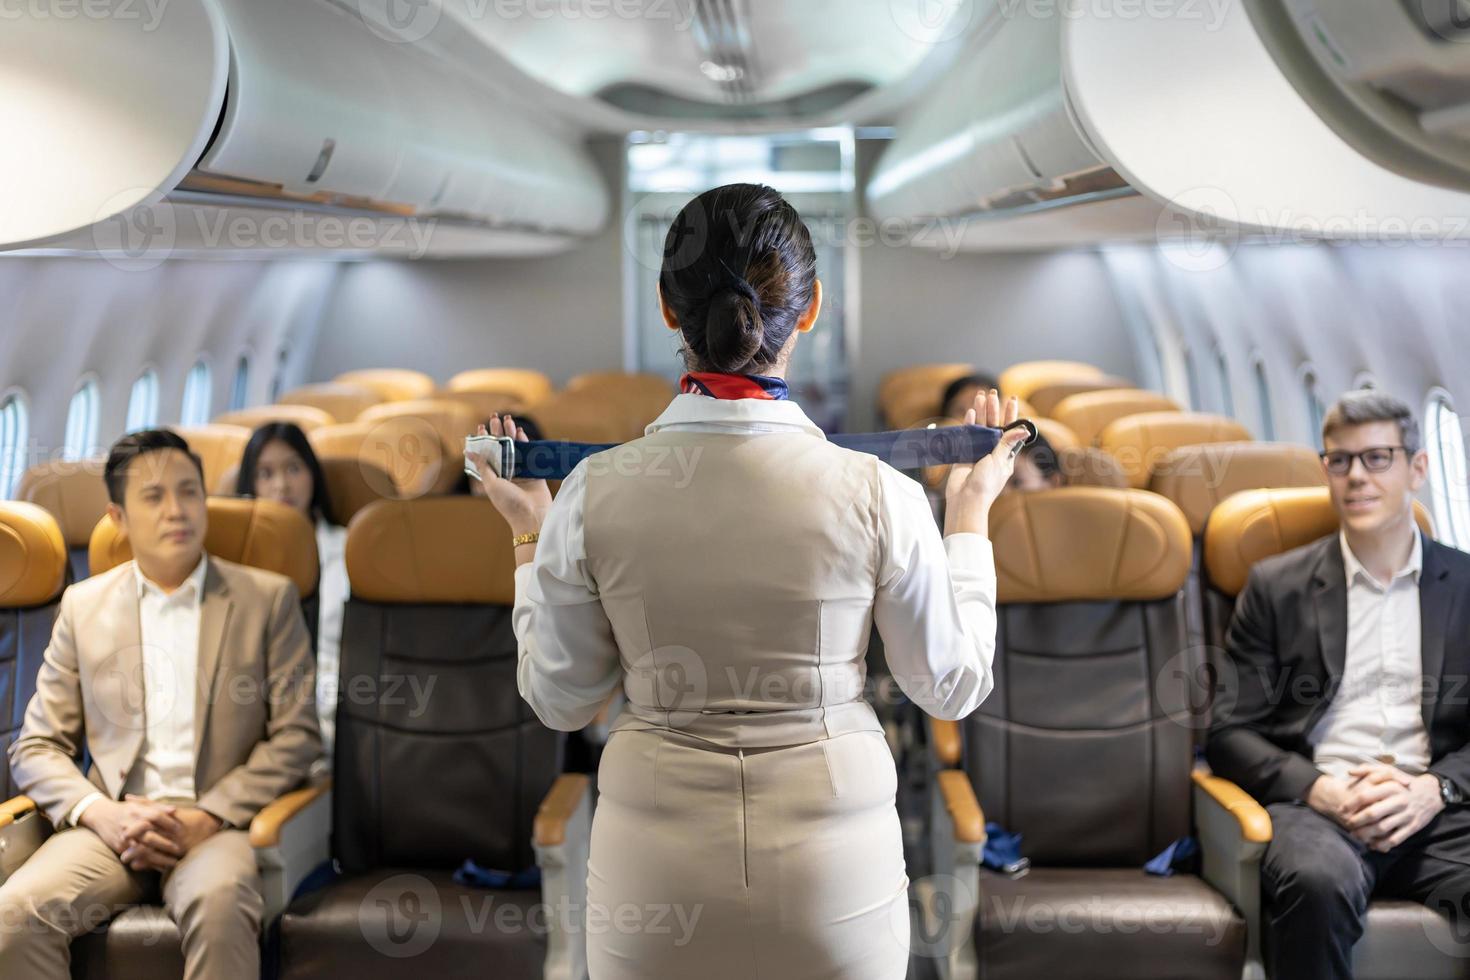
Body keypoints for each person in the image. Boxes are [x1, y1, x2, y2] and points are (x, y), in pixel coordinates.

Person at [469, 183, 1027, 980]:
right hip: (836, 875)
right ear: (810, 309)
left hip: (655, 878)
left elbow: (563, 698)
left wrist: (529, 528)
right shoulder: (881, 494)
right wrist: (968, 517)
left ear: (668, 308)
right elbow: (952, 684)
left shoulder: (593, 493)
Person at [0, 429, 321, 980]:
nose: (177, 510)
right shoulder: (84, 607)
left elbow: (298, 737)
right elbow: (37, 745)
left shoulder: (266, 598)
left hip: (214, 826)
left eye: (189, 491)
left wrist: (211, 814)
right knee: (15, 915)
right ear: (118, 518)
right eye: (153, 497)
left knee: (221, 907)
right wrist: (102, 813)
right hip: (110, 826)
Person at [1206, 390, 1470, 980]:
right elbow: (1228, 732)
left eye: (1377, 458)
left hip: (1434, 809)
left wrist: (1435, 789)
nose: (1356, 477)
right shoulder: (1278, 586)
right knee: (1317, 884)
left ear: (1418, 469)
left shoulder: (1466, 586)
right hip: (1321, 808)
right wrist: (1319, 788)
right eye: (1339, 460)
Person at [235, 422, 346, 762]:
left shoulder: (350, 550)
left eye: (293, 469)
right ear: (250, 485)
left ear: (312, 474)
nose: (281, 485)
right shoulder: (235, 560)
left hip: (328, 713)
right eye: (265, 474)